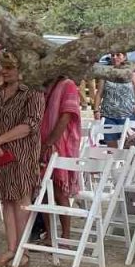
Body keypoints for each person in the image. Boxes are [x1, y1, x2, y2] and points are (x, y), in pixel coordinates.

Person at [0, 50, 45, 267]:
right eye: (2, 67)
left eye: (9, 68)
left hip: (22, 154)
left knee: (21, 200)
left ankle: (23, 251)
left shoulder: (33, 93)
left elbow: (31, 124)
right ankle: (11, 248)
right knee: (5, 199)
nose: (4, 71)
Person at [36, 73, 82, 242]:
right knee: (43, 190)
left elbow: (67, 115)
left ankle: (65, 235)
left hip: (59, 144)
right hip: (42, 142)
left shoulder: (68, 85)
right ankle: (50, 234)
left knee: (59, 192)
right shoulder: (45, 85)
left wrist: (50, 142)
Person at [94, 52, 135, 146]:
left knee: (128, 146)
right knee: (111, 148)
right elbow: (99, 93)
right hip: (109, 115)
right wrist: (96, 110)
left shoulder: (132, 75)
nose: (115, 57)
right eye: (112, 55)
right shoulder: (106, 75)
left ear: (124, 57)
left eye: (118, 55)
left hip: (128, 115)